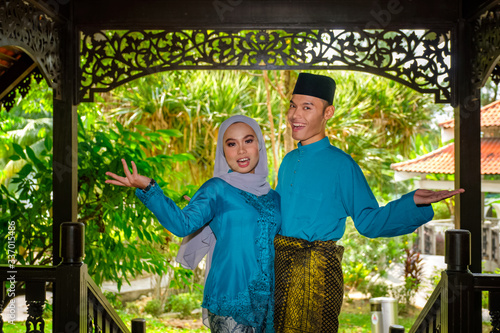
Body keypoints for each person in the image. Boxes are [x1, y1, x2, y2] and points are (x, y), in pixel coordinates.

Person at [273, 73, 464, 333]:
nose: (296, 115)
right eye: (293, 105)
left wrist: (413, 202)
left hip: (317, 275)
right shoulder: (288, 161)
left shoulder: (342, 165)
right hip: (281, 271)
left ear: (328, 113)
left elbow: (369, 222)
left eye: (308, 107)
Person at [105, 115, 281, 333]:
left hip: (268, 303)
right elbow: (182, 224)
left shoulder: (274, 198)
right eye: (232, 144)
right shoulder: (216, 189)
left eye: (248, 141)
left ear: (259, 145)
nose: (241, 151)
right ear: (223, 151)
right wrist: (148, 186)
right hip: (230, 299)